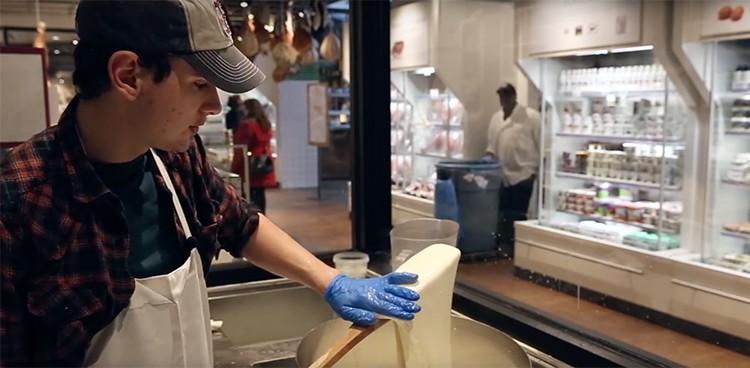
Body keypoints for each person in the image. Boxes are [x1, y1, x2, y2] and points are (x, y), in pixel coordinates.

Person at [0, 1, 421, 366]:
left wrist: (329, 280)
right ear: (128, 75)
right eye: (199, 84)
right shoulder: (20, 204)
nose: (215, 106)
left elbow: (239, 224)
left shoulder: (178, 155)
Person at [484, 83, 541, 257]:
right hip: (502, 174)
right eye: (501, 96)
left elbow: (541, 143)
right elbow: (492, 144)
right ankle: (503, 245)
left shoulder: (531, 117)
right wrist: (487, 158)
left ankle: (516, 249)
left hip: (523, 174)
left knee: (518, 213)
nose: (505, 99)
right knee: (503, 212)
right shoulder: (496, 118)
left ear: (514, 96)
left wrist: (537, 171)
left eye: (507, 95)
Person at [230, 98, 276, 212]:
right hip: (264, 161)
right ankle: (263, 219)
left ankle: (255, 221)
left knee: (250, 196)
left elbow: (240, 148)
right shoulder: (265, 124)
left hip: (249, 165)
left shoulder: (247, 125)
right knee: (260, 194)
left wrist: (234, 169)